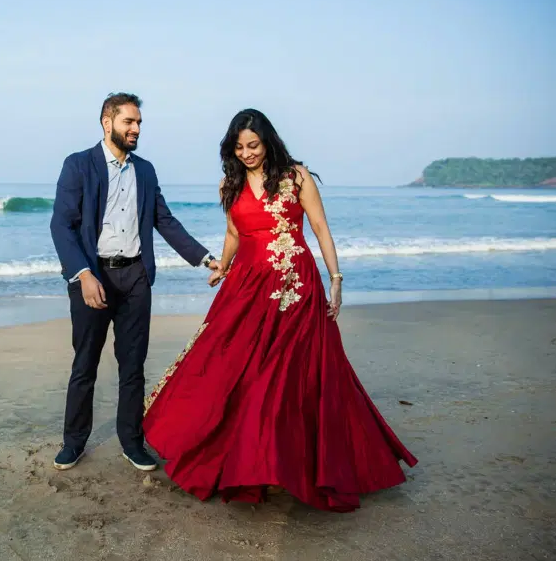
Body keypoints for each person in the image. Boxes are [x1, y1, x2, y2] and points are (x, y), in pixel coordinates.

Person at [141, 108, 418, 512]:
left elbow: (320, 227)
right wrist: (223, 265)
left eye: (252, 145)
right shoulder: (229, 184)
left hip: (294, 286)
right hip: (246, 285)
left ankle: (286, 464)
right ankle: (248, 460)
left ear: (267, 140)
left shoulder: (296, 176)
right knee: (232, 366)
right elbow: (235, 230)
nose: (247, 153)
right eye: (238, 147)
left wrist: (336, 280)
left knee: (289, 376)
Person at [49, 92, 221, 472]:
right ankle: (74, 442)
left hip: (136, 278)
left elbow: (165, 221)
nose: (136, 129)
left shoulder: (145, 170)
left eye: (139, 122)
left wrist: (206, 258)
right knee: (85, 364)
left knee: (133, 366)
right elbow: (62, 225)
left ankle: (132, 441)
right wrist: (84, 275)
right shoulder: (78, 165)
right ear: (107, 122)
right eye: (129, 121)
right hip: (93, 276)